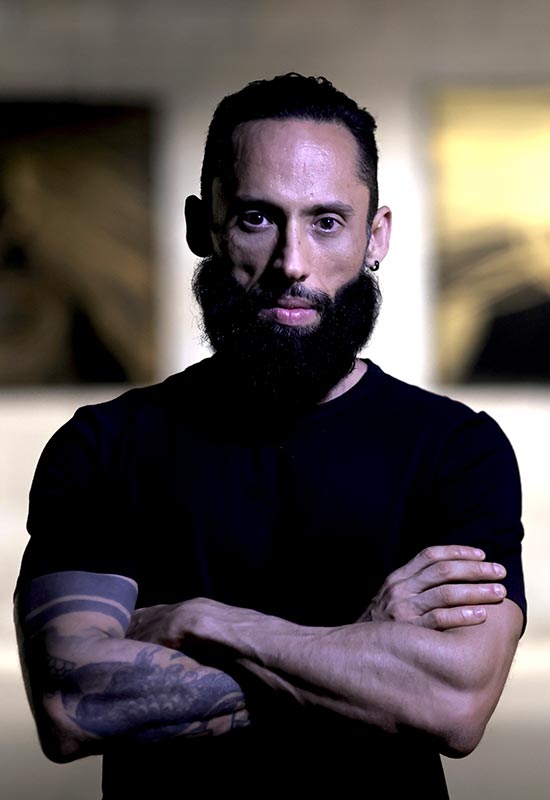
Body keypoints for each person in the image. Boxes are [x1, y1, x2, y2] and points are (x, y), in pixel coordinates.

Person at [15, 74, 526, 799]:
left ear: (374, 236)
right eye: (257, 218)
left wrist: (199, 621)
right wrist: (361, 648)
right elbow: (75, 706)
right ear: (203, 227)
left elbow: (453, 706)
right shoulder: (102, 446)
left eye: (326, 222)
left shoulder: (455, 449)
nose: (292, 263)